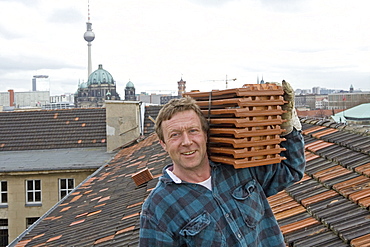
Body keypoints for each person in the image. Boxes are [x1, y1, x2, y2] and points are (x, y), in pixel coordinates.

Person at [139, 81, 305, 246]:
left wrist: (289, 129)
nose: (187, 142)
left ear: (205, 134)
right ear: (163, 143)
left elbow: (292, 169)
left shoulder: (239, 169)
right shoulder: (158, 208)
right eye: (175, 135)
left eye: (193, 131)